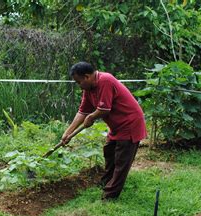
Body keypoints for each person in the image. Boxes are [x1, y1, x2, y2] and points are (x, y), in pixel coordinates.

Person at [62, 62, 147, 200]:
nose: (79, 85)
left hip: (130, 123)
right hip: (116, 126)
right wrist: (67, 133)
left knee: (121, 161)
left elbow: (104, 109)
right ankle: (106, 183)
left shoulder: (105, 80)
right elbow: (82, 111)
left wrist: (91, 117)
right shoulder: (88, 89)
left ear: (87, 76)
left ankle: (110, 196)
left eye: (79, 82)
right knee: (109, 153)